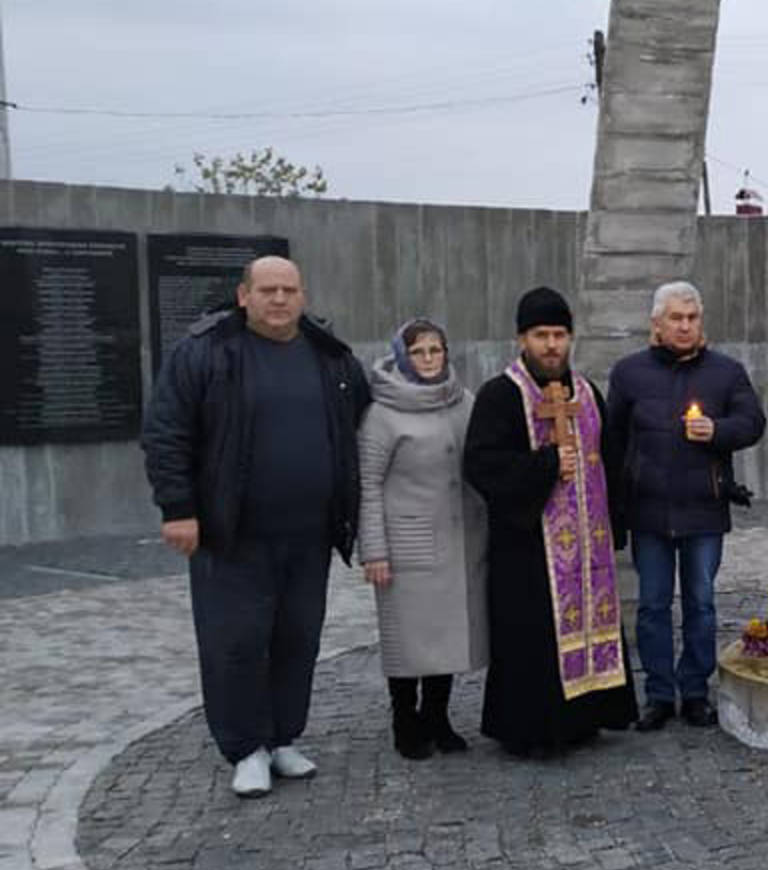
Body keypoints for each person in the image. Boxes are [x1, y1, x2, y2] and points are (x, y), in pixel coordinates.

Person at [140, 256, 370, 798]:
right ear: (243, 295)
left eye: (289, 289)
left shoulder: (328, 357)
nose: (279, 300)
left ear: (303, 295)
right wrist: (178, 509)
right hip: (231, 534)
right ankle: (245, 748)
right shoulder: (205, 353)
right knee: (235, 643)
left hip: (309, 533)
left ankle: (284, 737)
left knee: (298, 639)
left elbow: (362, 422)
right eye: (267, 289)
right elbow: (166, 433)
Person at [463, 287, 638, 756]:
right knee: (531, 639)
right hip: (527, 547)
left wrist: (615, 522)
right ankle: (533, 732)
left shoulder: (585, 393)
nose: (552, 345)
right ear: (522, 339)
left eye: (560, 335)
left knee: (590, 624)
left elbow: (609, 461)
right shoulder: (500, 395)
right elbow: (481, 464)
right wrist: (544, 466)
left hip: (588, 545)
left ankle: (588, 717)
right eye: (541, 335)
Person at [605, 282, 767, 730]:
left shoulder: (726, 372)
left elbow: (753, 422)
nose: (685, 326)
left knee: (702, 602)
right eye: (675, 318)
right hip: (650, 511)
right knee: (653, 606)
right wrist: (615, 507)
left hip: (704, 508)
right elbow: (613, 441)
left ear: (702, 322)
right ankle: (658, 694)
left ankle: (695, 691)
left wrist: (717, 430)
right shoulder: (629, 373)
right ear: (656, 324)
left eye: (692, 318)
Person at [357, 318, 488, 760]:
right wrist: (373, 550)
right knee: (408, 638)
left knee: (446, 634)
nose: (430, 359)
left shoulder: (461, 399)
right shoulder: (382, 413)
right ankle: (404, 718)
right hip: (407, 542)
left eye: (436, 350)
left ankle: (438, 715)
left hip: (458, 538)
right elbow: (368, 483)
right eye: (419, 352)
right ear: (402, 356)